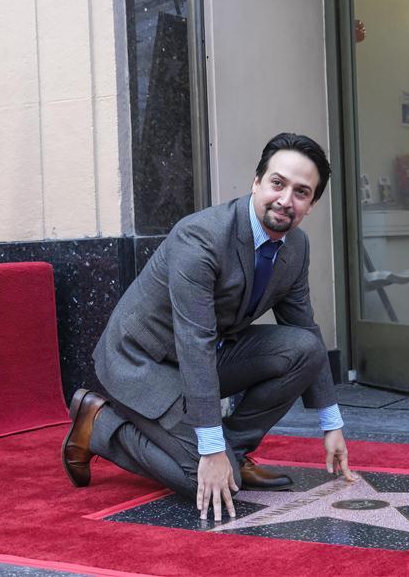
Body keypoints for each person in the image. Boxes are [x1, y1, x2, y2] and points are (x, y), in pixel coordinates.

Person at [62, 132, 357, 522]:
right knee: (211, 480)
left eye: (301, 192)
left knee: (304, 348)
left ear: (312, 204)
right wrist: (210, 447)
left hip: (203, 358)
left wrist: (331, 424)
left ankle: (234, 453)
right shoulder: (200, 237)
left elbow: (305, 328)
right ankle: (100, 425)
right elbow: (194, 339)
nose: (286, 199)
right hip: (141, 362)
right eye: (277, 183)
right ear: (256, 182)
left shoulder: (296, 247)